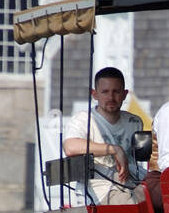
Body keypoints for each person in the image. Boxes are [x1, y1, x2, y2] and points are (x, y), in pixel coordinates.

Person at [63, 67, 148, 204]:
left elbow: (141, 160)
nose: (111, 97)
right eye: (105, 92)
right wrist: (114, 149)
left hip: (131, 184)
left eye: (116, 92)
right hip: (98, 191)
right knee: (135, 204)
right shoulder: (83, 120)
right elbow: (70, 147)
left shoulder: (134, 122)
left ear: (125, 94)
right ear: (94, 94)